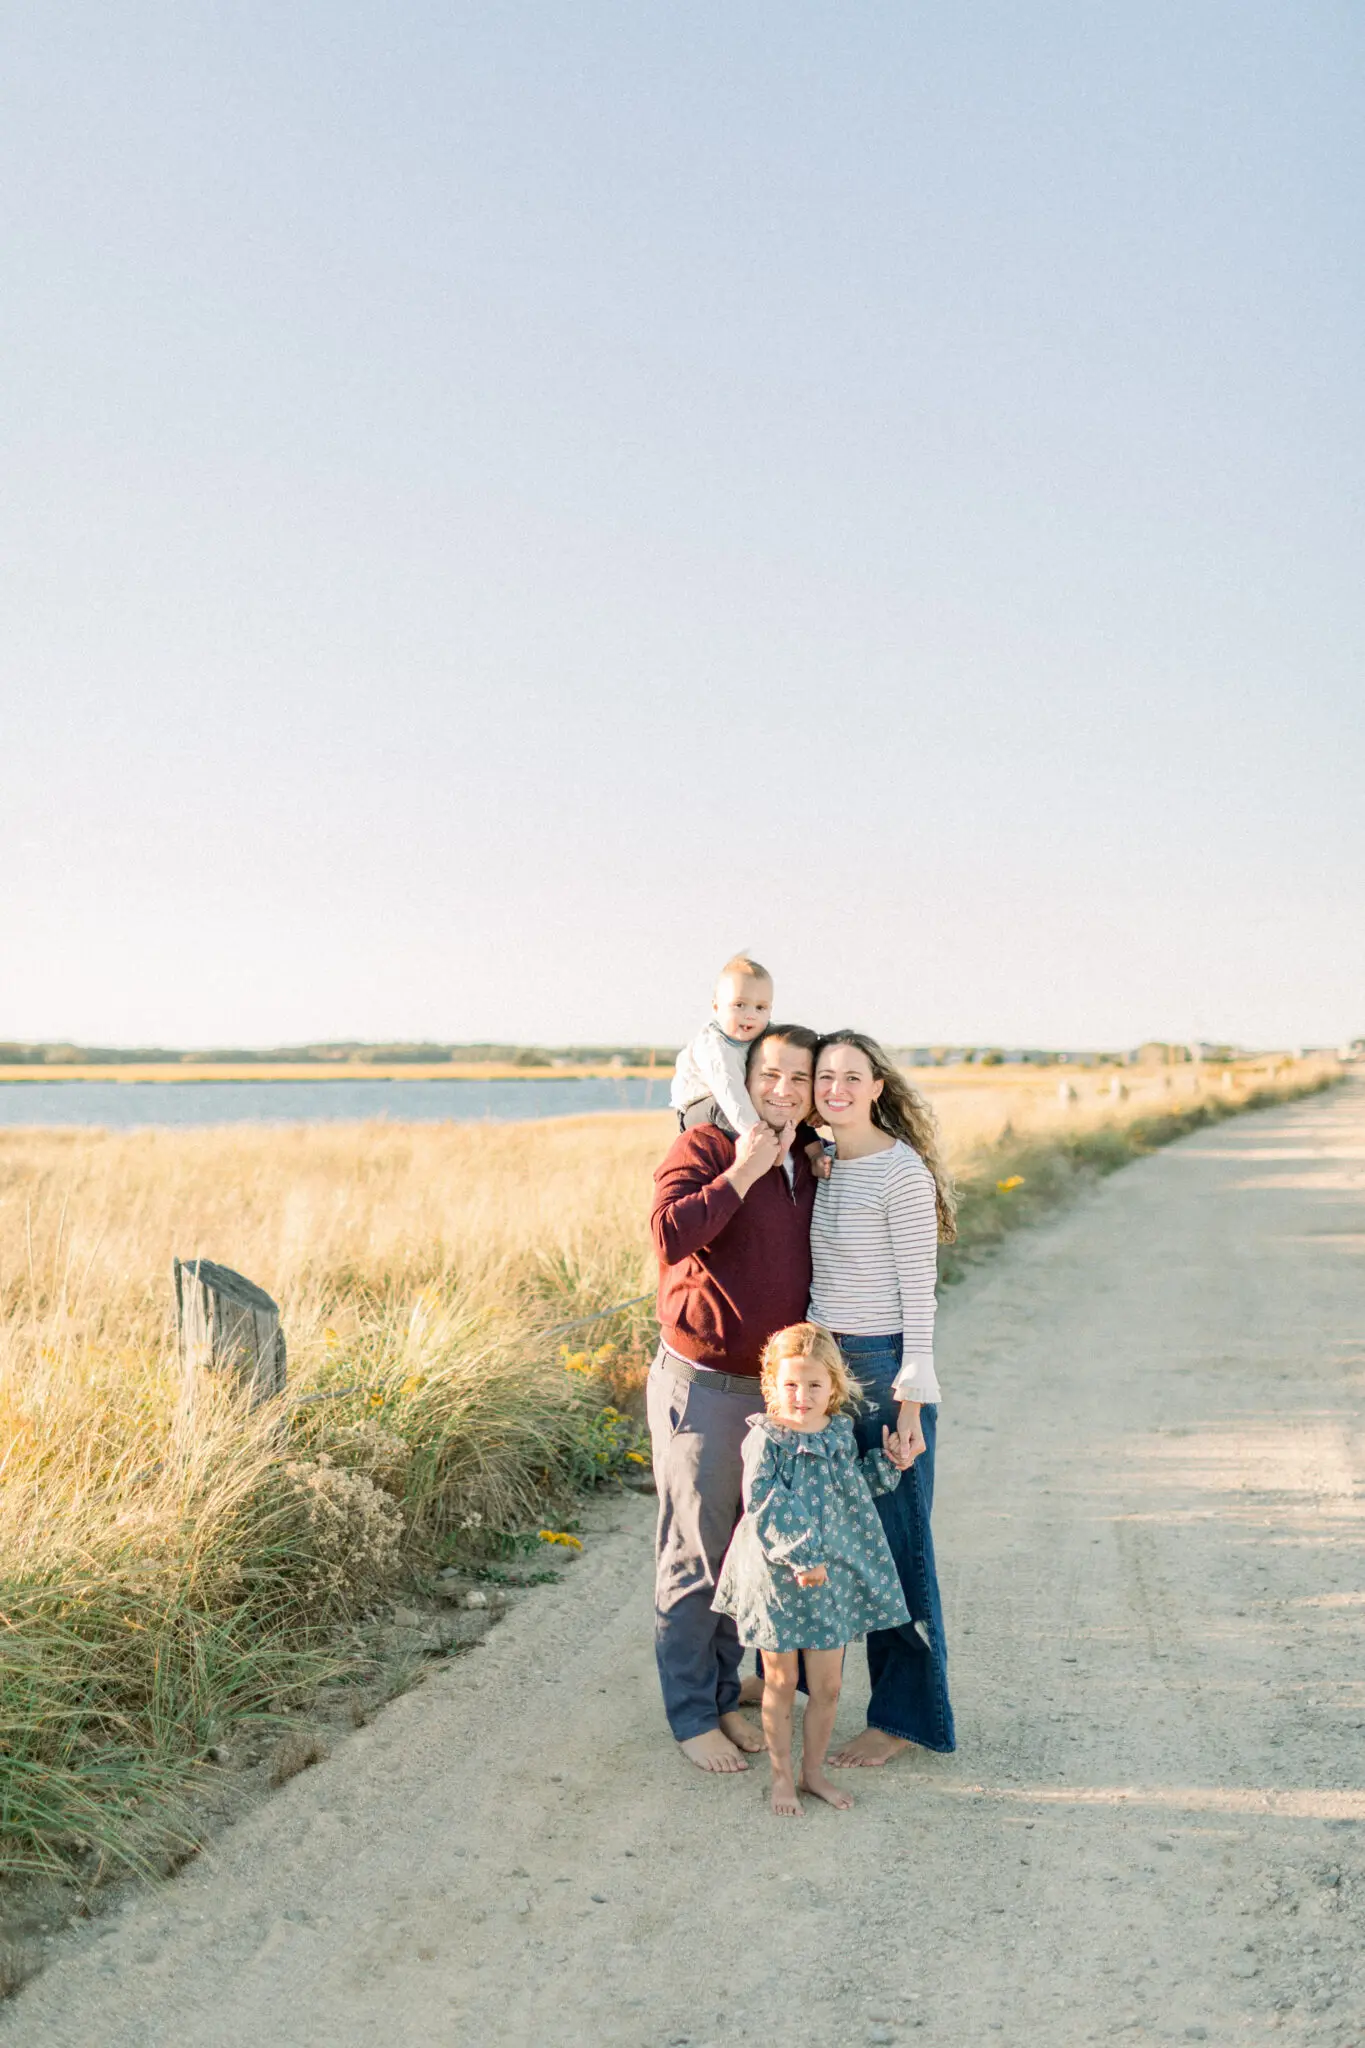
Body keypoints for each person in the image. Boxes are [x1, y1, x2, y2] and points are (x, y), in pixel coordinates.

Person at [648, 1025, 820, 1772]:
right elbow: (667, 1236)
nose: (782, 1090)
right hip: (705, 1386)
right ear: (742, 1081)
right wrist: (743, 1172)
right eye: (768, 1075)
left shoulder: (808, 1160)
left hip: (774, 1397)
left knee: (743, 1554)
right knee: (696, 1556)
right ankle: (691, 1715)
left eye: (799, 1079)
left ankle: (723, 1693)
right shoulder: (707, 1146)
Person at [807, 1029, 959, 1768]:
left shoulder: (900, 1172)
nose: (835, 1089)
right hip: (819, 1365)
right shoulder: (822, 1163)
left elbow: (918, 1297)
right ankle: (796, 1685)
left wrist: (910, 1405)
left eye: (850, 1077)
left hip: (880, 1367)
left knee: (897, 1547)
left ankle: (902, 1717)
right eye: (823, 1077)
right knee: (819, 1538)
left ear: (876, 1088)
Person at [712, 1323, 914, 1817]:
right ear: (772, 1384)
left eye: (814, 1385)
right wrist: (803, 1555)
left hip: (829, 1578)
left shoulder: (838, 1434)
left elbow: (850, 1490)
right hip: (778, 1576)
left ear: (834, 1387)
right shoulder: (767, 1439)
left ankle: (813, 1772)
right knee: (781, 1682)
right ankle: (781, 1776)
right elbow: (764, 1501)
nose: (801, 1396)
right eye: (790, 1384)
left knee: (828, 1686)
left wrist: (887, 1464)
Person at [669, 952, 773, 1134]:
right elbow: (730, 1093)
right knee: (721, 1108)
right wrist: (757, 1135)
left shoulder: (765, 1033)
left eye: (760, 1007)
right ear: (716, 1008)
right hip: (699, 1107)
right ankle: (756, 1145)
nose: (751, 1015)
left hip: (739, 1101)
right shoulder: (714, 1047)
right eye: (739, 1005)